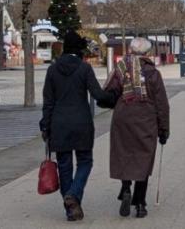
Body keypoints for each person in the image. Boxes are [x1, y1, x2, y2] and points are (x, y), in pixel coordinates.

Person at [40, 31, 115, 221]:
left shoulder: (52, 70)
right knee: (85, 162)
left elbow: (48, 102)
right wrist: (115, 98)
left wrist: (45, 126)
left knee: (64, 166)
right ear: (79, 49)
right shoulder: (84, 68)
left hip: (59, 124)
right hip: (81, 122)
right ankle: (73, 195)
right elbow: (98, 94)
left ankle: (70, 209)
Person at [103, 37, 170, 218]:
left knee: (124, 154)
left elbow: (109, 92)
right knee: (143, 159)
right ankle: (140, 204)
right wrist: (164, 129)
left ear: (131, 51)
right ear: (147, 53)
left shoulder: (121, 69)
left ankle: (126, 189)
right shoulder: (153, 73)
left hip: (123, 117)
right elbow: (162, 104)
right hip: (146, 120)